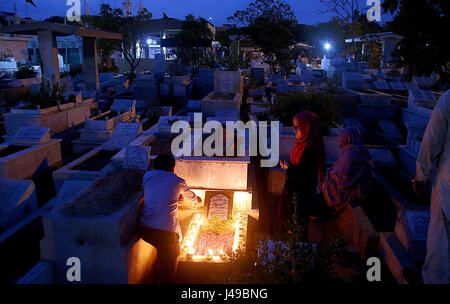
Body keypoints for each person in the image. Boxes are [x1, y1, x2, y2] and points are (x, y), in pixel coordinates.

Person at [140, 154, 201, 283]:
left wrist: (174, 200)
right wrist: (199, 200)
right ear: (173, 167)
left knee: (163, 252)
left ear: (155, 166)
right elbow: (193, 198)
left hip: (145, 229)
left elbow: (158, 194)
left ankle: (159, 273)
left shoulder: (147, 176)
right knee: (172, 259)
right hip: (165, 233)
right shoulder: (177, 181)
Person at [412, 90, 450, 284]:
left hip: (447, 190)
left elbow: (431, 142)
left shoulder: (448, 99)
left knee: (440, 257)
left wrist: (421, 176)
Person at [276, 111, 326, 239]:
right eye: (294, 126)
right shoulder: (301, 144)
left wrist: (289, 167)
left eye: (297, 127)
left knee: (297, 226)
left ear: (307, 127)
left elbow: (305, 176)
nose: (294, 130)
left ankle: (296, 252)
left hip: (301, 197)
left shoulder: (310, 149)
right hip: (293, 192)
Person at [322, 127, 374, 215]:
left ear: (347, 138)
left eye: (341, 137)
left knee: (325, 184)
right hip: (356, 186)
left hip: (352, 190)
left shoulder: (351, 154)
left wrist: (329, 174)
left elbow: (343, 178)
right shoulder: (353, 150)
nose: (340, 140)